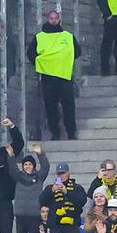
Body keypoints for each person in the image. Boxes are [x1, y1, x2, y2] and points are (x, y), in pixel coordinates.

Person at [35, 10, 80, 139]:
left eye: (55, 18)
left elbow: (77, 52)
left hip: (64, 77)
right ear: (47, 19)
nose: (54, 20)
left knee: (68, 107)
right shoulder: (40, 37)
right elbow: (31, 54)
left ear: (59, 19)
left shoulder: (68, 36)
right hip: (49, 78)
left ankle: (71, 132)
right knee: (51, 107)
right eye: (51, 18)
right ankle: (55, 133)